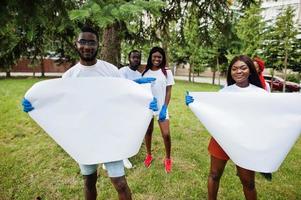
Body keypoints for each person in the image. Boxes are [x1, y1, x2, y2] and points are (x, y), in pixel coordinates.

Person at [22, 25, 158, 200]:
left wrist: (145, 99)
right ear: (76, 44)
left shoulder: (110, 70)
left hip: (110, 135)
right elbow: (61, 107)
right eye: (83, 42)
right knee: (89, 181)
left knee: (120, 183)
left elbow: (126, 95)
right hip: (84, 137)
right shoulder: (70, 77)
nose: (87, 46)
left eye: (91, 42)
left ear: (98, 45)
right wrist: (35, 104)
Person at [186, 55, 266, 200]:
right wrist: (194, 102)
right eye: (234, 69)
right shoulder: (224, 92)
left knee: (248, 183)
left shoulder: (260, 93)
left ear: (250, 70)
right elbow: (212, 112)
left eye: (243, 68)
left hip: (245, 142)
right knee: (214, 175)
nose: (238, 71)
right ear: (230, 72)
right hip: (221, 138)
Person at [142, 47, 175, 173]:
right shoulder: (145, 72)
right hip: (148, 107)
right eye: (154, 56)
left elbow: (168, 91)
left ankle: (167, 158)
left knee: (166, 134)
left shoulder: (166, 72)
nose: (157, 59)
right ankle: (149, 155)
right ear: (151, 57)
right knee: (148, 131)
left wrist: (164, 108)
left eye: (159, 57)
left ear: (163, 58)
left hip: (161, 107)